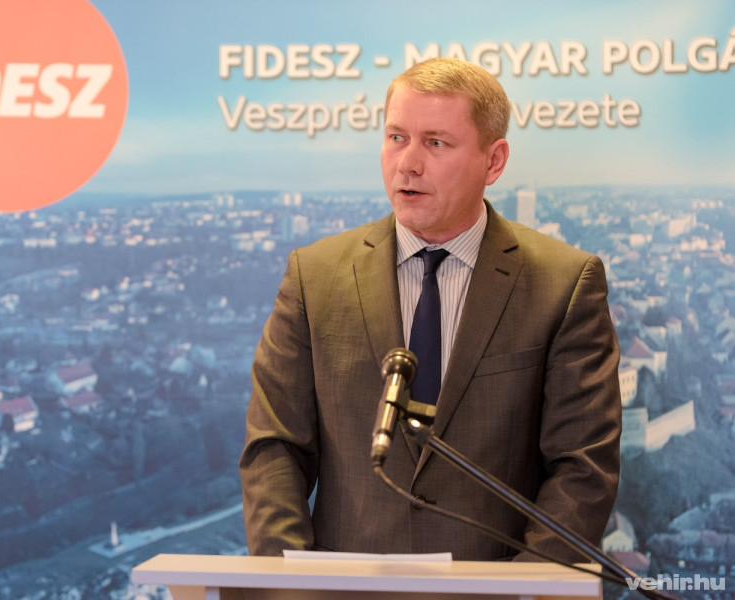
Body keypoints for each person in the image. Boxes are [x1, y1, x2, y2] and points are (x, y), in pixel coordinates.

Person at [239, 57, 621, 562]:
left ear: (494, 162)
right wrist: (291, 588)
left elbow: (582, 470)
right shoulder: (314, 276)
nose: (408, 164)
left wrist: (523, 591)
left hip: (497, 589)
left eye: (436, 143)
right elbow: (274, 450)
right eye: (396, 137)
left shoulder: (564, 284)